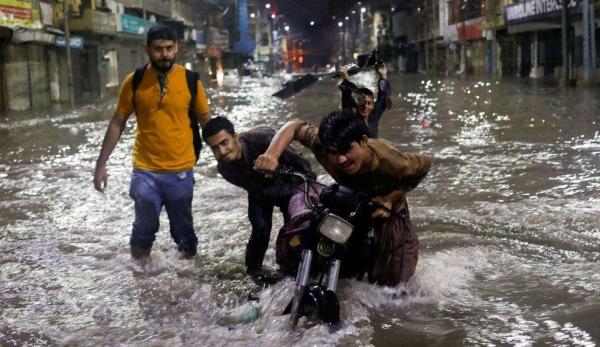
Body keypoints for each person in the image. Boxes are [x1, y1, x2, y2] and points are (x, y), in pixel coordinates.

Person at [254, 111, 431, 287]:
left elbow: (423, 166)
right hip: (352, 200)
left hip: (387, 213)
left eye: (347, 150)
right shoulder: (323, 144)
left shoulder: (389, 159)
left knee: (392, 286)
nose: (340, 159)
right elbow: (295, 126)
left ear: (363, 141)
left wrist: (389, 199)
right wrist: (271, 154)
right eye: (333, 152)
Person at [93, 25, 211, 260]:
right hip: (145, 170)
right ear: (146, 49)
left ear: (176, 48)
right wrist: (101, 164)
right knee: (143, 230)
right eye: (158, 49)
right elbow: (118, 122)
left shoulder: (190, 81)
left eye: (169, 48)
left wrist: (227, 155)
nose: (165, 54)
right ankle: (141, 281)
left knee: (184, 234)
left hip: (181, 170)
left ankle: (189, 281)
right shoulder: (134, 81)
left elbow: (206, 120)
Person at [202, 117, 315, 277]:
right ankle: (253, 274)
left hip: (293, 184)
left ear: (235, 136)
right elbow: (256, 190)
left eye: (224, 143)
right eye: (215, 148)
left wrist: (300, 197)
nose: (221, 151)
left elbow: (305, 168)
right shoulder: (224, 167)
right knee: (259, 229)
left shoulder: (264, 138)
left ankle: (296, 271)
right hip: (259, 191)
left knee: (293, 232)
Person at [339, 63, 391, 138]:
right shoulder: (351, 119)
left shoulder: (373, 117)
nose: (365, 106)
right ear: (355, 104)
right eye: (361, 102)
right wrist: (345, 77)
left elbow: (383, 98)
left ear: (373, 105)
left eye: (369, 103)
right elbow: (346, 97)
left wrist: (383, 75)